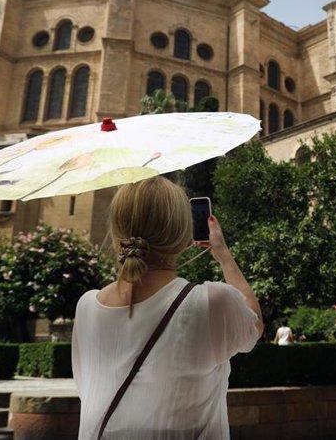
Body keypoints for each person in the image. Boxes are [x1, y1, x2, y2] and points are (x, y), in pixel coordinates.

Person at [71, 177, 264, 439]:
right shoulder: (211, 303)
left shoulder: (86, 307)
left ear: (116, 231)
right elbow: (255, 324)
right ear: (183, 234)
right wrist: (224, 256)